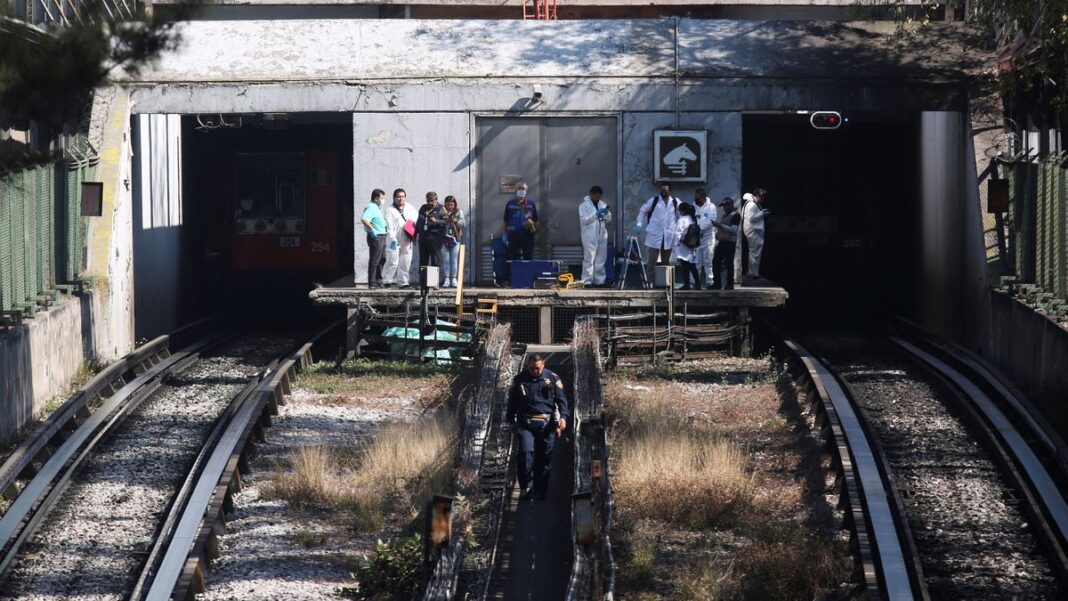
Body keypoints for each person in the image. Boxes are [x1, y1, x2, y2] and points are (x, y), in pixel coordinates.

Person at [508, 354, 569, 501]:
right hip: (526, 423)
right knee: (525, 453)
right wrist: (510, 421)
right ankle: (525, 488)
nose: (535, 371)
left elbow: (561, 400)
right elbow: (512, 403)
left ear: (543, 365)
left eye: (538, 368)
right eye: (532, 368)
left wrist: (563, 418)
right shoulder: (520, 379)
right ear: (528, 366)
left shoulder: (552, 378)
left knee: (544, 457)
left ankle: (541, 489)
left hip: (546, 424)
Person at [636, 181, 680, 278]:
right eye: (661, 190)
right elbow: (643, 210)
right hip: (654, 235)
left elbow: (683, 213)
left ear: (670, 190)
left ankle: (663, 283)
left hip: (668, 236)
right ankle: (649, 282)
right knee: (652, 260)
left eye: (665, 190)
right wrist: (639, 224)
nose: (663, 192)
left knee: (665, 262)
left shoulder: (675, 202)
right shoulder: (654, 200)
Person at [382, 188, 418, 288]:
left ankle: (403, 282)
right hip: (393, 239)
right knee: (392, 260)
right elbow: (388, 225)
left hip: (406, 237)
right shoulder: (390, 209)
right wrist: (392, 238)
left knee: (405, 260)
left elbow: (416, 219)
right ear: (394, 198)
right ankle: (387, 280)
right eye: (398, 196)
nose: (401, 199)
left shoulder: (410, 207)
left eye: (402, 196)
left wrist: (412, 229)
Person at [578, 185, 612, 286]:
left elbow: (609, 219)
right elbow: (584, 220)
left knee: (601, 258)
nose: (598, 198)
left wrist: (606, 214)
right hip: (589, 235)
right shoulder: (584, 206)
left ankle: (600, 281)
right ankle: (587, 281)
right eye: (596, 196)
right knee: (589, 258)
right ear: (591, 195)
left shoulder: (602, 204)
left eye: (599, 196)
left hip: (601, 234)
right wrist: (595, 215)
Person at [503, 181, 539, 266]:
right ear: (515, 190)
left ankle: (527, 277)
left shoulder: (531, 204)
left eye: (523, 189)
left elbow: (536, 219)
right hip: (513, 235)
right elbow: (505, 220)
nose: (521, 190)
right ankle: (511, 278)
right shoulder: (510, 204)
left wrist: (534, 228)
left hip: (527, 235)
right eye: (519, 188)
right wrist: (505, 234)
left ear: (526, 190)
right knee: (511, 258)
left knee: (528, 257)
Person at [360, 189, 388, 288]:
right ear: (376, 198)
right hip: (377, 237)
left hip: (383, 236)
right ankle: (372, 283)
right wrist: (372, 230)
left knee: (382, 258)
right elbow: (364, 219)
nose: (383, 200)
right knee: (375, 260)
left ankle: (379, 280)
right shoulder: (371, 207)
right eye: (382, 198)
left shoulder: (377, 207)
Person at [711, 196, 741, 290]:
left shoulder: (735, 215)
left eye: (725, 206)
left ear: (730, 205)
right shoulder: (725, 215)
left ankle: (730, 284)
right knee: (715, 262)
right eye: (723, 206)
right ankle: (717, 284)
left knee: (729, 263)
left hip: (730, 242)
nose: (723, 208)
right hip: (722, 242)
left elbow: (733, 230)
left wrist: (720, 225)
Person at [740, 188, 769, 280]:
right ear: (757, 196)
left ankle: (752, 272)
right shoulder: (751, 205)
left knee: (754, 252)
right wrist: (762, 213)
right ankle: (753, 273)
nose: (762, 200)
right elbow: (751, 218)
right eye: (762, 197)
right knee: (755, 253)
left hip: (753, 231)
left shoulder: (751, 203)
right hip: (753, 231)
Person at [692, 188, 718, 289]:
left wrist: (699, 229)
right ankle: (695, 282)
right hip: (696, 239)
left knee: (708, 261)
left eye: (697, 197)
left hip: (708, 238)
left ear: (702, 197)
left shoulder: (711, 207)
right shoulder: (693, 205)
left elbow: (711, 221)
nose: (695, 198)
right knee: (696, 261)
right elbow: (691, 219)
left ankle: (710, 282)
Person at [417, 191, 445, 278]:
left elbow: (446, 222)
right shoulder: (423, 207)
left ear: (436, 199)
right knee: (423, 261)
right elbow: (419, 221)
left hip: (435, 238)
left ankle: (434, 283)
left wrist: (436, 222)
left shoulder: (442, 208)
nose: (430, 203)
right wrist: (415, 234)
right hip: (423, 238)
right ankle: (422, 283)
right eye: (428, 201)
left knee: (435, 261)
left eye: (432, 201)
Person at [674, 202, 701, 290]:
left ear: (682, 210)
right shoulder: (694, 219)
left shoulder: (681, 220)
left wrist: (676, 245)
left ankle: (687, 284)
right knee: (693, 266)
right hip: (693, 245)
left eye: (679, 210)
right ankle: (698, 284)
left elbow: (678, 233)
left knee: (685, 267)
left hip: (683, 246)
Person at [441, 195, 465, 287]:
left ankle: (454, 279)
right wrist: (442, 220)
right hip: (444, 238)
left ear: (454, 204)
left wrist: (455, 221)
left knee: (454, 260)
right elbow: (439, 222)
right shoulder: (442, 212)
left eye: (451, 204)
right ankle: (447, 279)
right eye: (448, 204)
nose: (450, 206)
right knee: (446, 260)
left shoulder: (459, 212)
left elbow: (463, 224)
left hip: (455, 238)